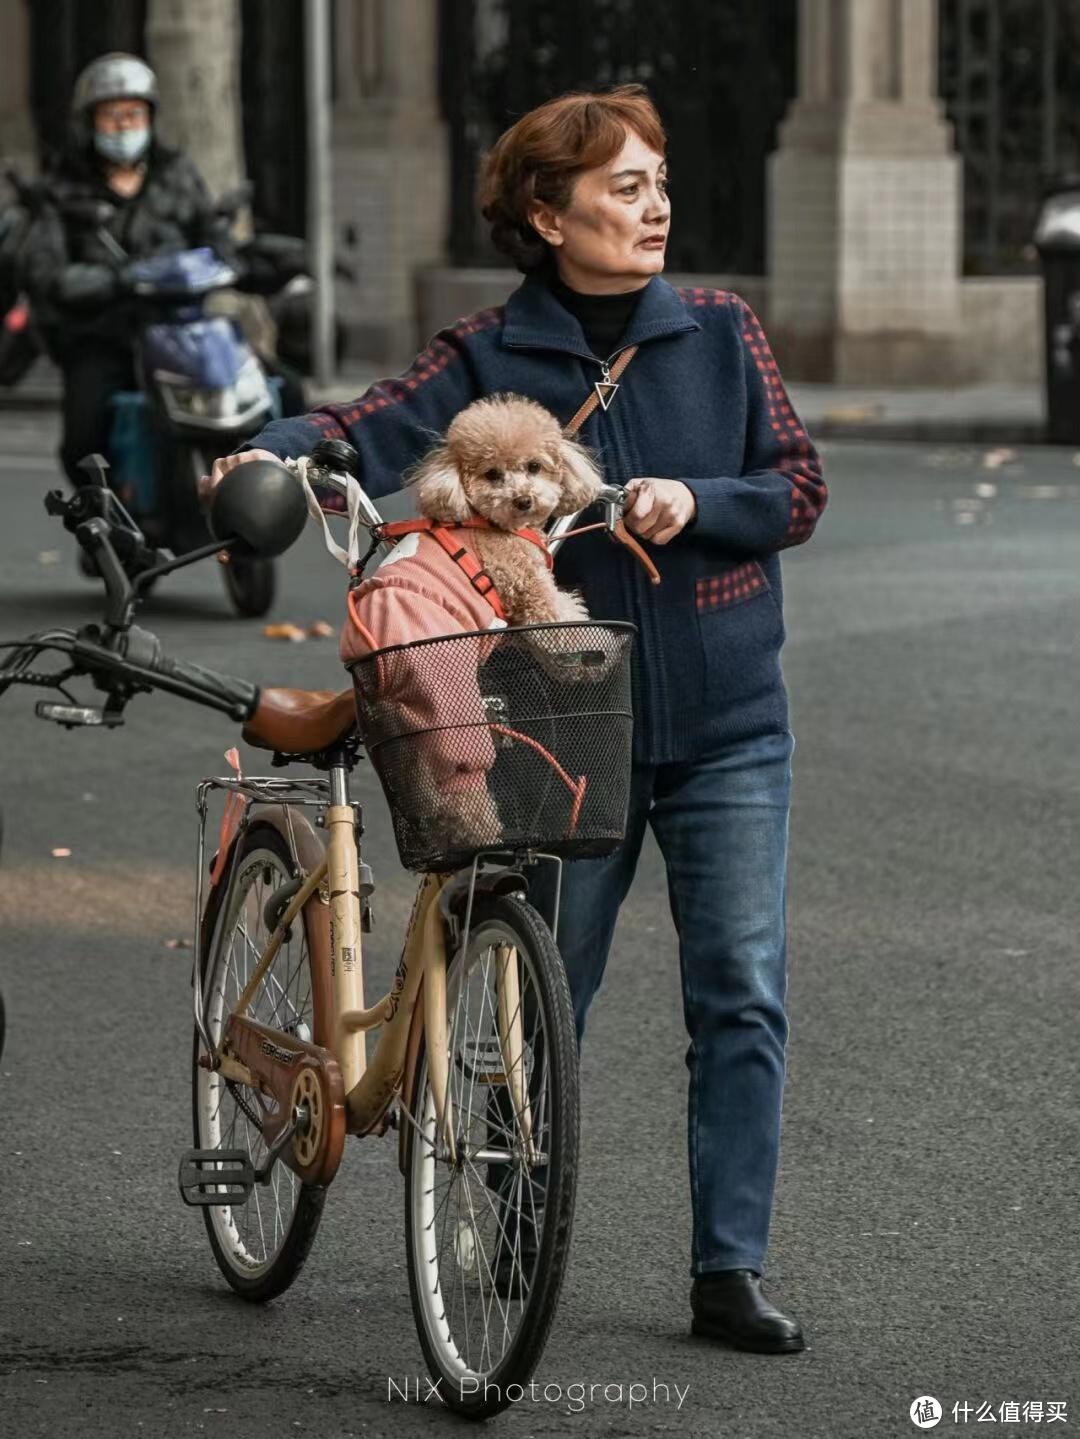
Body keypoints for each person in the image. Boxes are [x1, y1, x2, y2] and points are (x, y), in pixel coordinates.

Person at [207, 85, 827, 1354]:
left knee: (743, 993)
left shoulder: (719, 329)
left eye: (659, 182)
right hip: (556, 724)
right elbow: (357, 423)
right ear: (547, 214)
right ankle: (503, 1222)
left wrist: (690, 498)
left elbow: (797, 486)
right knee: (548, 988)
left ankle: (730, 1267)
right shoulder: (488, 352)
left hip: (729, 719)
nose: (654, 207)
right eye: (622, 188)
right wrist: (264, 449)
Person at [19, 52, 232, 489]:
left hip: (183, 334)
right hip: (103, 339)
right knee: (83, 438)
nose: (123, 126)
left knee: (266, 397)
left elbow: (215, 243)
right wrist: (120, 280)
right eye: (111, 116)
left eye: (134, 115)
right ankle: (105, 532)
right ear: (90, 122)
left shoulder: (177, 174)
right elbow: (48, 275)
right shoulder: (61, 187)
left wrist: (254, 260)